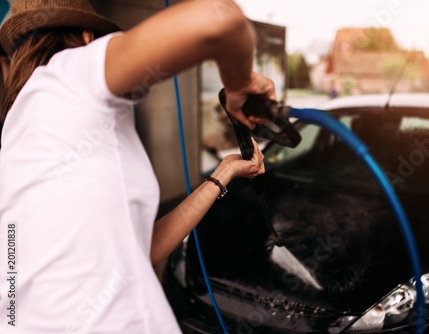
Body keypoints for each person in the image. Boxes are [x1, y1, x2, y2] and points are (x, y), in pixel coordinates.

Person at [0, 0, 274, 333]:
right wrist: (239, 85)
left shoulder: (16, 132)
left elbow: (141, 250)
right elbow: (220, 17)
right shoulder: (68, 71)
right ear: (88, 39)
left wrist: (224, 172)